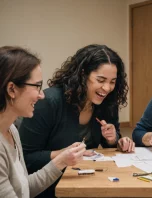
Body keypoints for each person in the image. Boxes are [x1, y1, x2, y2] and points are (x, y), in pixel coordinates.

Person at [19, 44, 135, 198]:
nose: (107, 88)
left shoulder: (107, 103)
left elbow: (108, 143)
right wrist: (61, 155)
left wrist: (114, 139)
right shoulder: (48, 102)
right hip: (48, 186)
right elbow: (26, 158)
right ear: (82, 75)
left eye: (113, 82)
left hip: (86, 179)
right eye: (100, 80)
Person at [0, 46, 86, 198]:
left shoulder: (11, 130)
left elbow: (25, 189)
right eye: (37, 86)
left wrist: (63, 160)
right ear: (12, 89)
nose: (42, 95)